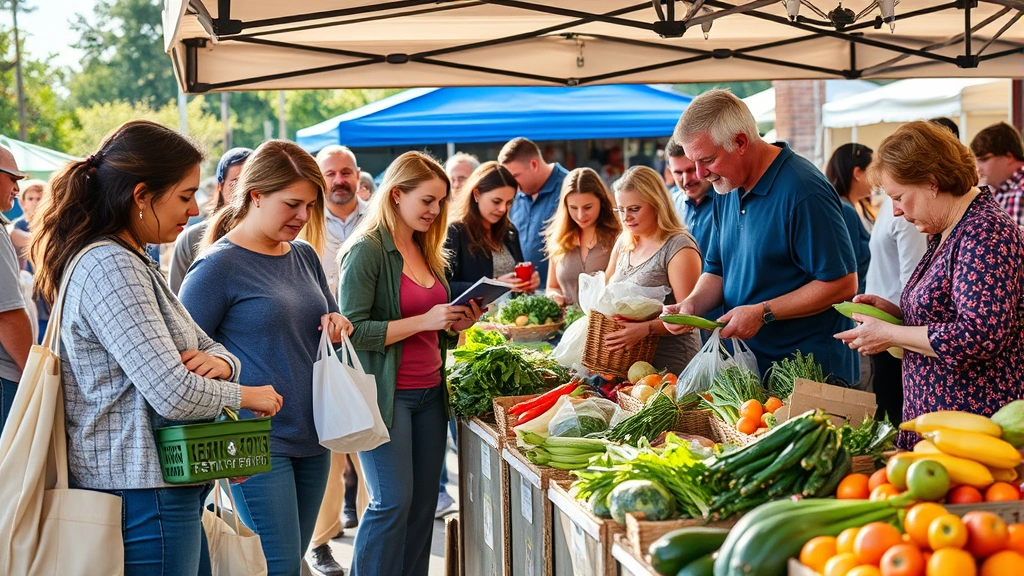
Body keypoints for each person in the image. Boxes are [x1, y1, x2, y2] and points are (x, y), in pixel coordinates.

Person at [28, 120, 283, 575]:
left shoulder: (129, 261)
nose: (196, 207)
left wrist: (223, 364)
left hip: (155, 487)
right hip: (141, 493)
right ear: (142, 195)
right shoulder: (111, 266)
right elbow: (174, 392)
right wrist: (249, 396)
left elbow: (208, 346)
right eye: (185, 195)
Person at [179, 140, 353, 576]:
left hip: (314, 434)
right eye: (292, 203)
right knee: (276, 567)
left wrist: (338, 324)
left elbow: (325, 320)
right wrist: (234, 389)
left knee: (289, 563)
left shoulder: (304, 255)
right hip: (252, 440)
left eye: (310, 206)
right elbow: (183, 361)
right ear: (255, 195)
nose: (303, 216)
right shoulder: (216, 267)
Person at [836, 121, 1024, 448]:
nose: (894, 211)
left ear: (932, 183)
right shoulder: (947, 230)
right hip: (943, 428)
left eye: (899, 197)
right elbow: (947, 316)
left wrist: (889, 334)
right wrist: (895, 314)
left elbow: (979, 336)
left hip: (972, 431)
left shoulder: (985, 233)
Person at [338, 151, 483, 576]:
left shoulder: (427, 248)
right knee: (392, 502)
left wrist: (456, 324)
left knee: (422, 507)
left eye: (440, 201)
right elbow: (353, 330)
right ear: (396, 195)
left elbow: (433, 330)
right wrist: (425, 320)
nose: (436, 210)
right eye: (427, 200)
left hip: (430, 394)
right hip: (387, 396)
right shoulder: (365, 251)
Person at [663, 89, 859, 384]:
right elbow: (716, 270)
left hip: (811, 377)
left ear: (741, 141)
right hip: (752, 371)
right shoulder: (727, 186)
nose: (701, 174)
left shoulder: (803, 190)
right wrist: (691, 305)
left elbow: (842, 284)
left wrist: (763, 312)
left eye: (707, 160)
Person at [310, 144, 369, 576]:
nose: (339, 180)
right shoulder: (305, 221)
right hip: (320, 349)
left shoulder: (379, 217)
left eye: (346, 172)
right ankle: (321, 542)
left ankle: (373, 532)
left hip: (369, 346)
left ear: (357, 174)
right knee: (327, 446)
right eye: (330, 173)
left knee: (370, 441)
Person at [605, 166, 703, 375]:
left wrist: (644, 329)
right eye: (620, 210)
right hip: (628, 365)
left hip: (672, 366)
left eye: (634, 209)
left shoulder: (678, 246)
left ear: (657, 204)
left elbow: (689, 318)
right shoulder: (624, 242)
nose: (626, 218)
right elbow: (604, 293)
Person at [862, 185, 928, 426]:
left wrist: (897, 317)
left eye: (897, 196)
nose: (896, 207)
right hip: (892, 321)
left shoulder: (908, 215)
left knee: (897, 411)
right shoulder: (898, 210)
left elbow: (913, 280)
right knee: (890, 404)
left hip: (900, 328)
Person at [445, 161, 540, 295]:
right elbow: (444, 287)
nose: (503, 209)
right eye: (496, 201)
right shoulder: (455, 232)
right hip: (474, 315)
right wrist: (494, 285)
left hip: (512, 314)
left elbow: (517, 279)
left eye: (509, 202)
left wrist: (528, 281)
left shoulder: (509, 232)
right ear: (476, 194)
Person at [168, 147, 252, 294]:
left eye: (250, 182)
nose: (244, 191)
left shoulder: (277, 240)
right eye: (235, 183)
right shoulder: (192, 240)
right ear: (220, 186)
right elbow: (176, 303)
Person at [543, 167, 621, 306]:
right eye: (573, 208)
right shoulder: (558, 238)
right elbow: (552, 286)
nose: (580, 215)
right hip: (566, 323)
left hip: (605, 324)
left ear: (601, 201)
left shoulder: (618, 236)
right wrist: (554, 296)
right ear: (565, 206)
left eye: (588, 207)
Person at [500, 137, 570, 286]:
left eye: (514, 177)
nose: (512, 185)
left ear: (533, 164)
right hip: (523, 296)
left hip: (562, 296)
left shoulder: (570, 187)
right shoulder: (512, 195)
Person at [0, 147, 32, 431]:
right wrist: (34, 375)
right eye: (12, 178)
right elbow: (7, 315)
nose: (17, 188)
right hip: (5, 378)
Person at [825, 143, 873, 294]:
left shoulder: (860, 206)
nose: (877, 177)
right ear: (858, 173)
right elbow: (850, 266)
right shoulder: (846, 211)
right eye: (873, 171)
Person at [970, 122, 1024, 227]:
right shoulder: (995, 189)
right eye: (977, 161)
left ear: (1008, 157)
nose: (978, 168)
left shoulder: (1020, 190)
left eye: (984, 160)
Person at [9, 179, 44, 269]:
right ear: (23, 203)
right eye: (30, 199)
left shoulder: (51, 224)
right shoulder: (19, 225)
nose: (34, 203)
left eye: (39, 198)